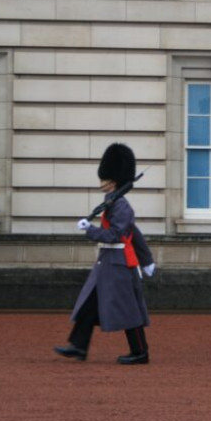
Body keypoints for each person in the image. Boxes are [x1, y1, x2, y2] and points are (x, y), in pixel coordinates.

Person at [54, 142, 151, 365]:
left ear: (114, 180)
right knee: (90, 304)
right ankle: (78, 346)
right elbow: (134, 233)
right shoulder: (112, 202)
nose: (101, 182)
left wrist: (90, 230)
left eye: (104, 178)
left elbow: (117, 235)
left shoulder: (122, 206)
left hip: (119, 265)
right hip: (108, 263)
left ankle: (140, 351)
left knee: (128, 309)